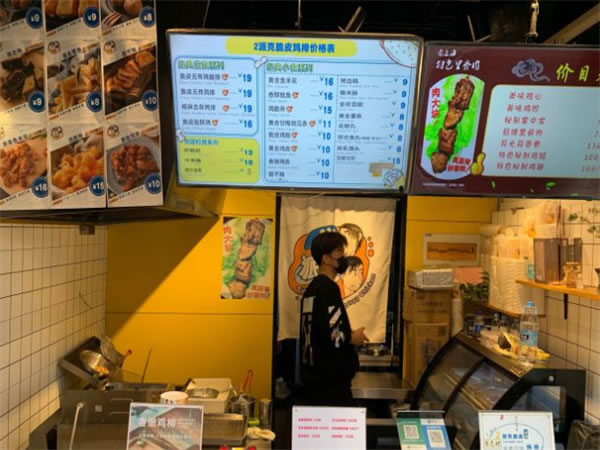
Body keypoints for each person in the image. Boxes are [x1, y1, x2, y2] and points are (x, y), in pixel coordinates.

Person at [298, 231, 369, 406]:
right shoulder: (328, 288)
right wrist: (353, 337)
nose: (343, 256)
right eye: (338, 251)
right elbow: (334, 336)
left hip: (313, 377)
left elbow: (321, 327)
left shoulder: (312, 289)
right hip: (331, 381)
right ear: (326, 259)